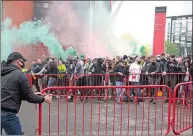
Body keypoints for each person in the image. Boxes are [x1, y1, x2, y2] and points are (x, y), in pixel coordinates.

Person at [1, 52, 52, 135]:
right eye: (23, 61)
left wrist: (37, 95)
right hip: (8, 115)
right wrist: (43, 98)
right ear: (18, 62)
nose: (24, 64)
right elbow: (29, 97)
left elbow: (13, 93)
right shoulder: (20, 74)